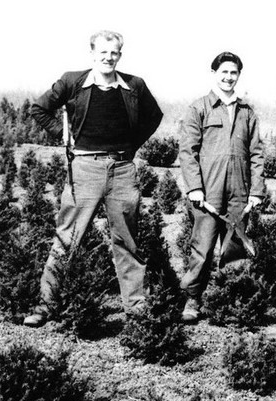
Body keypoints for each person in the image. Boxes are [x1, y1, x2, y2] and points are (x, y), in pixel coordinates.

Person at [24, 30, 163, 326]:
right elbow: (39, 108)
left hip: (122, 170)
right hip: (84, 169)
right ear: (92, 54)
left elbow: (154, 117)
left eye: (114, 53)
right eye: (103, 52)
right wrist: (62, 134)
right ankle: (44, 306)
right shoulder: (73, 81)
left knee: (127, 241)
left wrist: (131, 145)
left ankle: (137, 309)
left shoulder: (135, 85)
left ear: (120, 55)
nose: (108, 58)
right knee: (67, 238)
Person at [179, 51, 265, 323]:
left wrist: (257, 191)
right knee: (203, 248)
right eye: (224, 72)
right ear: (214, 73)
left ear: (239, 75)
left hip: (240, 192)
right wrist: (195, 187)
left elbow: (257, 154)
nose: (229, 77)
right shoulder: (199, 108)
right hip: (208, 192)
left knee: (235, 247)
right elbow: (187, 152)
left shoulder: (247, 112)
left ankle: (231, 300)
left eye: (233, 72)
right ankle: (193, 298)